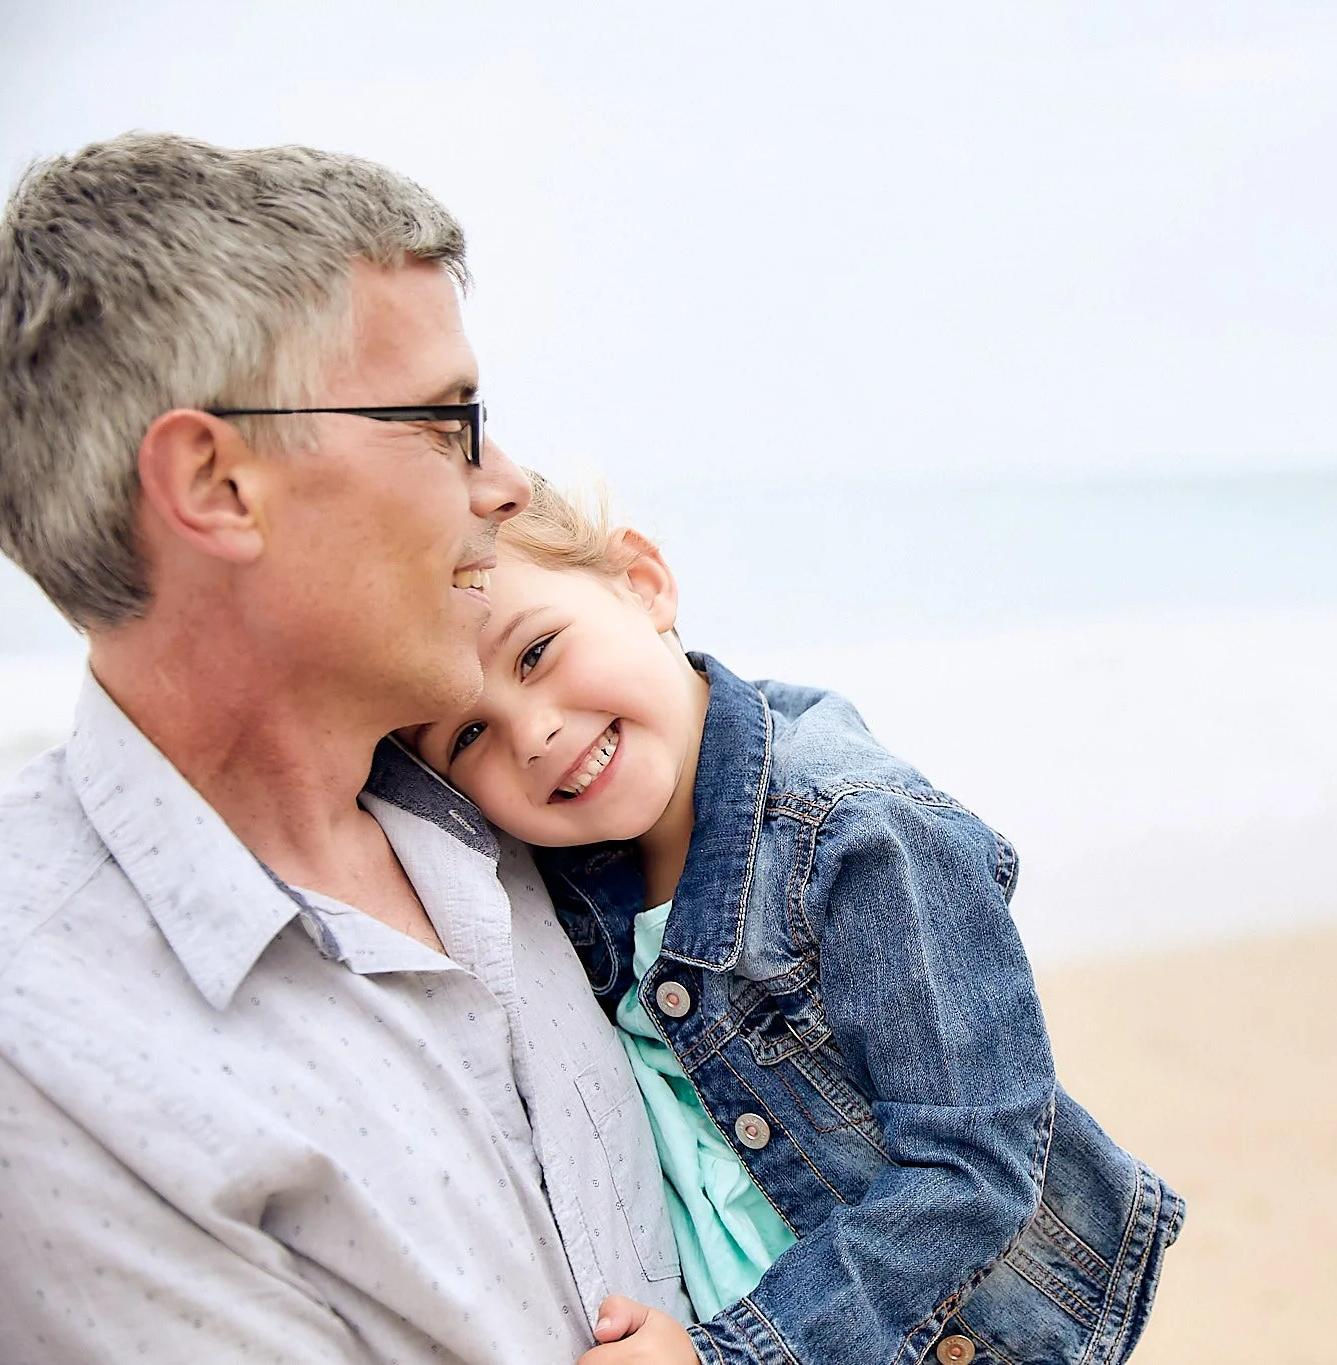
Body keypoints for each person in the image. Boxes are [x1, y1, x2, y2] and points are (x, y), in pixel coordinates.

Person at [0, 134, 687, 1362]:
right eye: (441, 423)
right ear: (216, 484)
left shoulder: (525, 800)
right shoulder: (42, 1044)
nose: (503, 486)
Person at [398, 474, 1185, 1365]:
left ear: (642, 583)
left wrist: (725, 1355)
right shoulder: (563, 878)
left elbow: (978, 1166)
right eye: (466, 735)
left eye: (535, 651)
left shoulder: (861, 836)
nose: (531, 733)